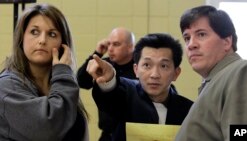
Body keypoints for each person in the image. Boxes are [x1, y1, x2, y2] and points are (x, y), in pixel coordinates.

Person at [0, 3, 89, 141]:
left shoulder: (62, 82)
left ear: (63, 44)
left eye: (52, 34)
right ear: (22, 38)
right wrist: (64, 76)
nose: (42, 40)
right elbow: (48, 129)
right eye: (34, 32)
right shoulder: (6, 86)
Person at [87, 33, 194, 141]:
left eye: (164, 66)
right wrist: (109, 80)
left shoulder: (190, 111)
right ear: (136, 70)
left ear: (176, 73)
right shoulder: (126, 96)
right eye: (147, 65)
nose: (155, 74)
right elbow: (112, 95)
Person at [175, 5, 247, 141]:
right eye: (187, 38)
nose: (191, 44)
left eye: (201, 34)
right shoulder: (216, 80)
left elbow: (241, 134)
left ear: (227, 42)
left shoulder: (241, 71)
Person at [77, 27, 136, 141]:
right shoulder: (104, 64)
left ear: (130, 47)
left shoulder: (139, 68)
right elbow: (81, 81)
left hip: (130, 136)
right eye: (109, 44)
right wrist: (97, 53)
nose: (110, 49)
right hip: (108, 135)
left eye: (116, 44)